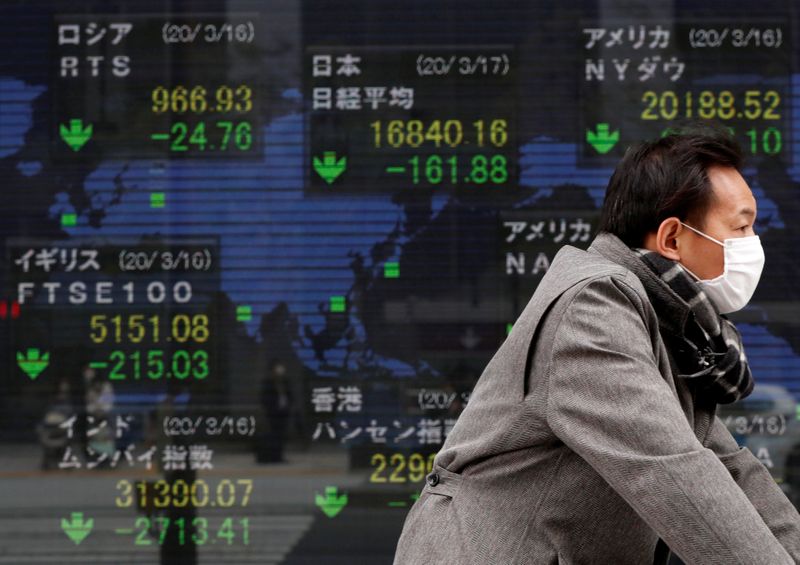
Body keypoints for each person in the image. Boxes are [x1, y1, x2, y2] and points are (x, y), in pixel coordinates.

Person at [392, 121, 800, 565]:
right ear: (671, 239)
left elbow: (727, 467)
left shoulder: (667, 324)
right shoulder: (594, 304)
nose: (752, 244)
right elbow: (670, 465)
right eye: (741, 228)